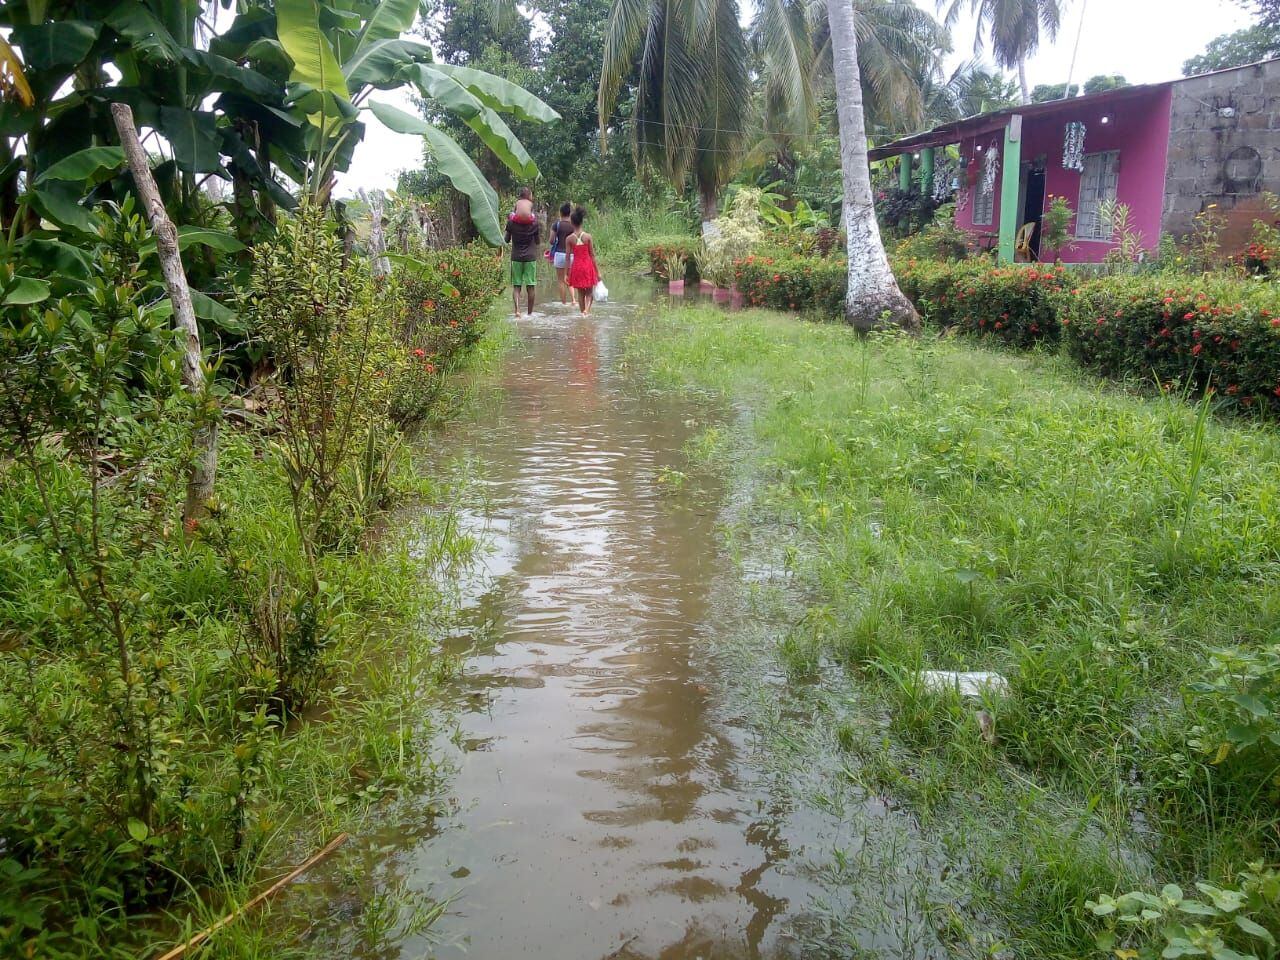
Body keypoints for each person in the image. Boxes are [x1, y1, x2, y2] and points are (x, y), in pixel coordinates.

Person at [505, 186, 540, 316]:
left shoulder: (511, 223)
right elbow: (537, 242)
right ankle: (530, 314)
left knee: (516, 287)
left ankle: (517, 311)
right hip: (530, 257)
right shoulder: (534, 224)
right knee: (531, 286)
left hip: (516, 257)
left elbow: (507, 239)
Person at [565, 206, 600, 317]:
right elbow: (592, 255)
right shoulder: (588, 237)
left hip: (576, 267)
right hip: (587, 266)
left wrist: (566, 273)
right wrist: (597, 271)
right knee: (589, 292)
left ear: (572, 222)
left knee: (580, 293)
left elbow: (567, 258)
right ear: (581, 221)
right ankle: (587, 311)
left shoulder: (569, 239)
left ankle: (582, 313)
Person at [548, 202, 575, 304]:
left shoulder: (556, 225)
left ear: (560, 213)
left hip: (559, 254)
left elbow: (551, 240)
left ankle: (564, 303)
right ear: (570, 213)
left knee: (560, 281)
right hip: (571, 255)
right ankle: (573, 300)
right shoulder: (573, 225)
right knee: (570, 280)